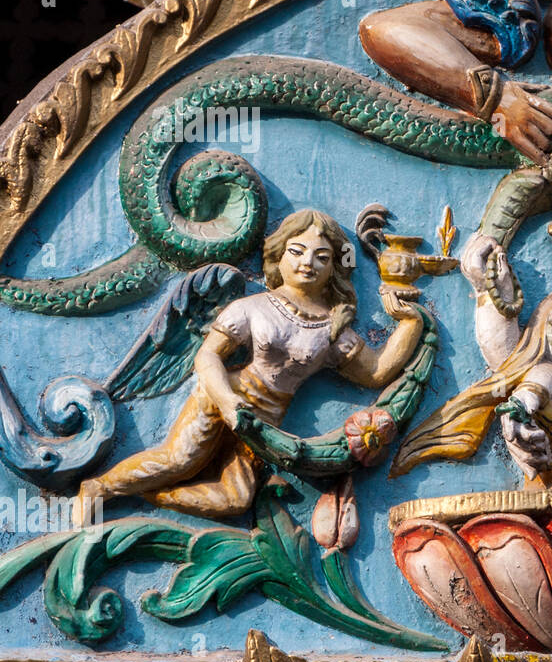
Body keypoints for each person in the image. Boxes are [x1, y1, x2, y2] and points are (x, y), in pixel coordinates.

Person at [74, 209, 424, 524]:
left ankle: (148, 496)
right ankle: (100, 487)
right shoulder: (254, 308)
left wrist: (411, 324)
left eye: (322, 257)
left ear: (334, 267)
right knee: (182, 459)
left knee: (236, 499)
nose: (308, 263)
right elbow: (208, 356)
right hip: (225, 395)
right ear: (279, 254)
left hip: (265, 421)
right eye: (297, 251)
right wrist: (226, 399)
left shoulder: (332, 330)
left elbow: (376, 372)